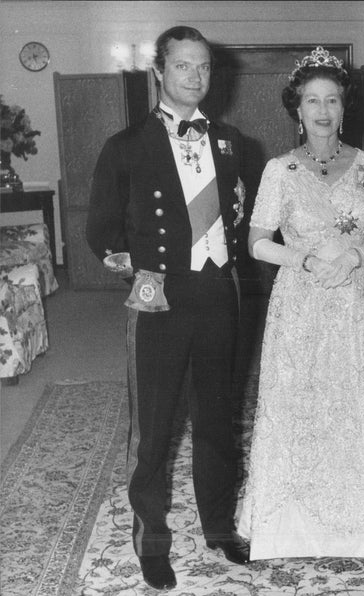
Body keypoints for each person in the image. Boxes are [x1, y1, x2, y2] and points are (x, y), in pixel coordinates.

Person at [235, 46, 364, 559]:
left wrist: (357, 257)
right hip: (299, 303)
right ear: (296, 109)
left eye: (333, 100)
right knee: (300, 405)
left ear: (346, 108)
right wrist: (304, 260)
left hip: (354, 303)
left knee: (358, 409)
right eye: (312, 100)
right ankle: (292, 525)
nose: (323, 110)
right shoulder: (279, 169)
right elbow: (256, 241)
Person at [86, 26, 250, 590]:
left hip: (216, 296)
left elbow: (238, 218)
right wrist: (139, 269)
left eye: (203, 67)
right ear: (159, 71)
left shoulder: (230, 141)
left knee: (216, 421)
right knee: (153, 429)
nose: (195, 77)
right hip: (160, 300)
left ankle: (219, 527)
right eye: (183, 67)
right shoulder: (125, 145)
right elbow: (101, 232)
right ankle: (152, 542)